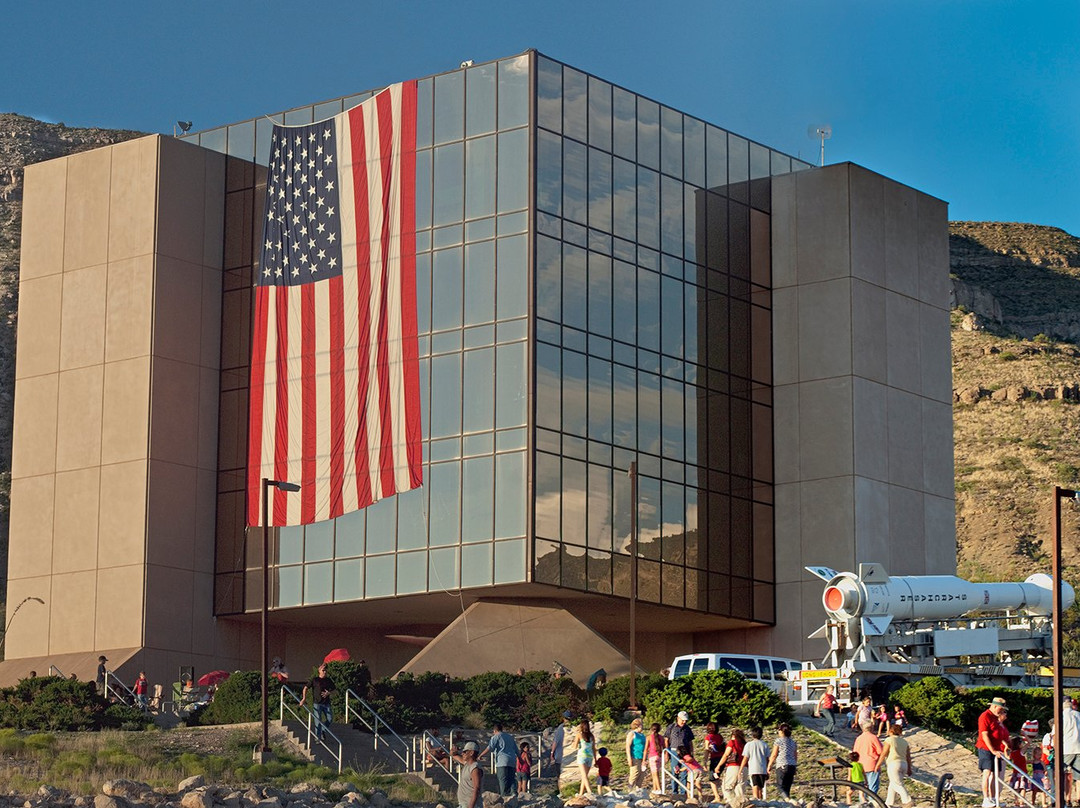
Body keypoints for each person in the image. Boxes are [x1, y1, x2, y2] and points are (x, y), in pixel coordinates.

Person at [976, 696, 1010, 808]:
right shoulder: (985, 716)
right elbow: (984, 734)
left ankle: (994, 798)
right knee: (987, 773)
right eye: (1000, 709)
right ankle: (986, 799)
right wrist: (992, 750)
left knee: (996, 774)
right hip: (986, 749)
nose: (1001, 712)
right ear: (994, 706)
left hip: (997, 750)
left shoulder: (995, 718)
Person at [875, 722, 913, 808]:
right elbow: (908, 757)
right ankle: (888, 803)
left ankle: (907, 800)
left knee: (897, 784)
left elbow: (884, 753)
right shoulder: (904, 742)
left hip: (893, 763)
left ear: (891, 731)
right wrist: (909, 769)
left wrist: (878, 764)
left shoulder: (889, 740)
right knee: (892, 784)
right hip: (904, 764)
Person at [479, 722, 519, 798]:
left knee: (502, 779)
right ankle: (514, 793)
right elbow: (516, 749)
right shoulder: (510, 737)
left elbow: (490, 747)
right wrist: (519, 758)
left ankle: (504, 796)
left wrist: (481, 755)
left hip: (502, 760)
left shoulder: (496, 737)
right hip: (512, 760)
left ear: (494, 730)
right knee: (512, 778)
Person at [301, 663, 336, 741]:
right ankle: (318, 737)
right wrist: (304, 698)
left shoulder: (328, 680)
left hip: (326, 703)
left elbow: (334, 690)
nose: (325, 672)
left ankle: (323, 730)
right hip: (317, 703)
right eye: (323, 670)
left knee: (329, 719)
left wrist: (329, 693)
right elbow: (305, 688)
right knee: (318, 720)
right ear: (319, 671)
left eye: (326, 670)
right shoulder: (315, 680)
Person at [715, 727, 746, 805]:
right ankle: (742, 803)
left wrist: (718, 766)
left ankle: (731, 803)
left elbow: (726, 754)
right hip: (744, 767)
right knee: (740, 788)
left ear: (733, 736)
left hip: (733, 766)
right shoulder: (745, 744)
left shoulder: (732, 742)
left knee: (727, 787)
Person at [767, 723, 798, 799]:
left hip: (782, 765)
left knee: (780, 787)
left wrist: (769, 765)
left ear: (781, 731)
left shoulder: (778, 741)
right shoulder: (793, 742)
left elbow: (774, 754)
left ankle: (787, 800)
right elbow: (795, 756)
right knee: (787, 788)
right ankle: (788, 801)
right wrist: (795, 766)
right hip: (792, 765)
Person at [740, 726, 770, 800]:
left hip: (753, 769)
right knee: (760, 787)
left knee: (755, 785)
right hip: (762, 769)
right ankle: (760, 800)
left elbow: (745, 758)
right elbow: (767, 758)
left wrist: (741, 769)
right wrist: (768, 768)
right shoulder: (765, 745)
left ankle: (756, 800)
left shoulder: (749, 745)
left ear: (752, 735)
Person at [853, 721, 884, 794]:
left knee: (863, 787)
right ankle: (872, 802)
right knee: (872, 786)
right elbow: (880, 751)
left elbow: (855, 752)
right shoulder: (873, 737)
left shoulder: (858, 738)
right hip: (872, 764)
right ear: (871, 728)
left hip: (860, 764)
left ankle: (863, 803)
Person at [453, 741, 483, 808]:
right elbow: (454, 756)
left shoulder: (475, 768)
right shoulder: (467, 764)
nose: (462, 753)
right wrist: (453, 752)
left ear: (471, 753)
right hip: (463, 804)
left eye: (465, 752)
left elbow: (477, 788)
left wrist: (471, 806)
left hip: (471, 805)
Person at [1062, 696, 1080, 804]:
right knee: (1079, 777)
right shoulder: (1078, 715)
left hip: (1067, 748)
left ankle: (1067, 799)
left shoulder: (1062, 716)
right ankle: (1079, 797)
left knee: (1066, 775)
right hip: (1079, 747)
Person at [570, 720, 595, 796]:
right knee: (584, 776)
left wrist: (572, 743)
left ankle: (590, 792)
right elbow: (594, 748)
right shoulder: (591, 736)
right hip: (590, 757)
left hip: (582, 756)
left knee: (584, 776)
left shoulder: (579, 735)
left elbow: (574, 746)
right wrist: (596, 760)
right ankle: (581, 793)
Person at [549, 711, 571, 782]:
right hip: (571, 755)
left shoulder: (561, 727)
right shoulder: (573, 727)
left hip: (560, 755)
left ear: (563, 718)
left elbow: (555, 741)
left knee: (560, 776)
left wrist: (552, 753)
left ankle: (561, 791)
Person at [625, 717, 646, 790]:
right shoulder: (632, 733)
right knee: (634, 774)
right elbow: (628, 746)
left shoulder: (643, 735)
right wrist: (629, 758)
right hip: (635, 756)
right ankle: (629, 790)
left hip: (642, 757)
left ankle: (638, 790)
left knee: (641, 775)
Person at [645, 722, 664, 794]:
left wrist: (644, 759)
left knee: (654, 774)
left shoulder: (649, 737)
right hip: (659, 756)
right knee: (656, 773)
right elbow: (664, 747)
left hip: (652, 756)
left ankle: (659, 789)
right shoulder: (661, 737)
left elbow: (646, 749)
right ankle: (655, 788)